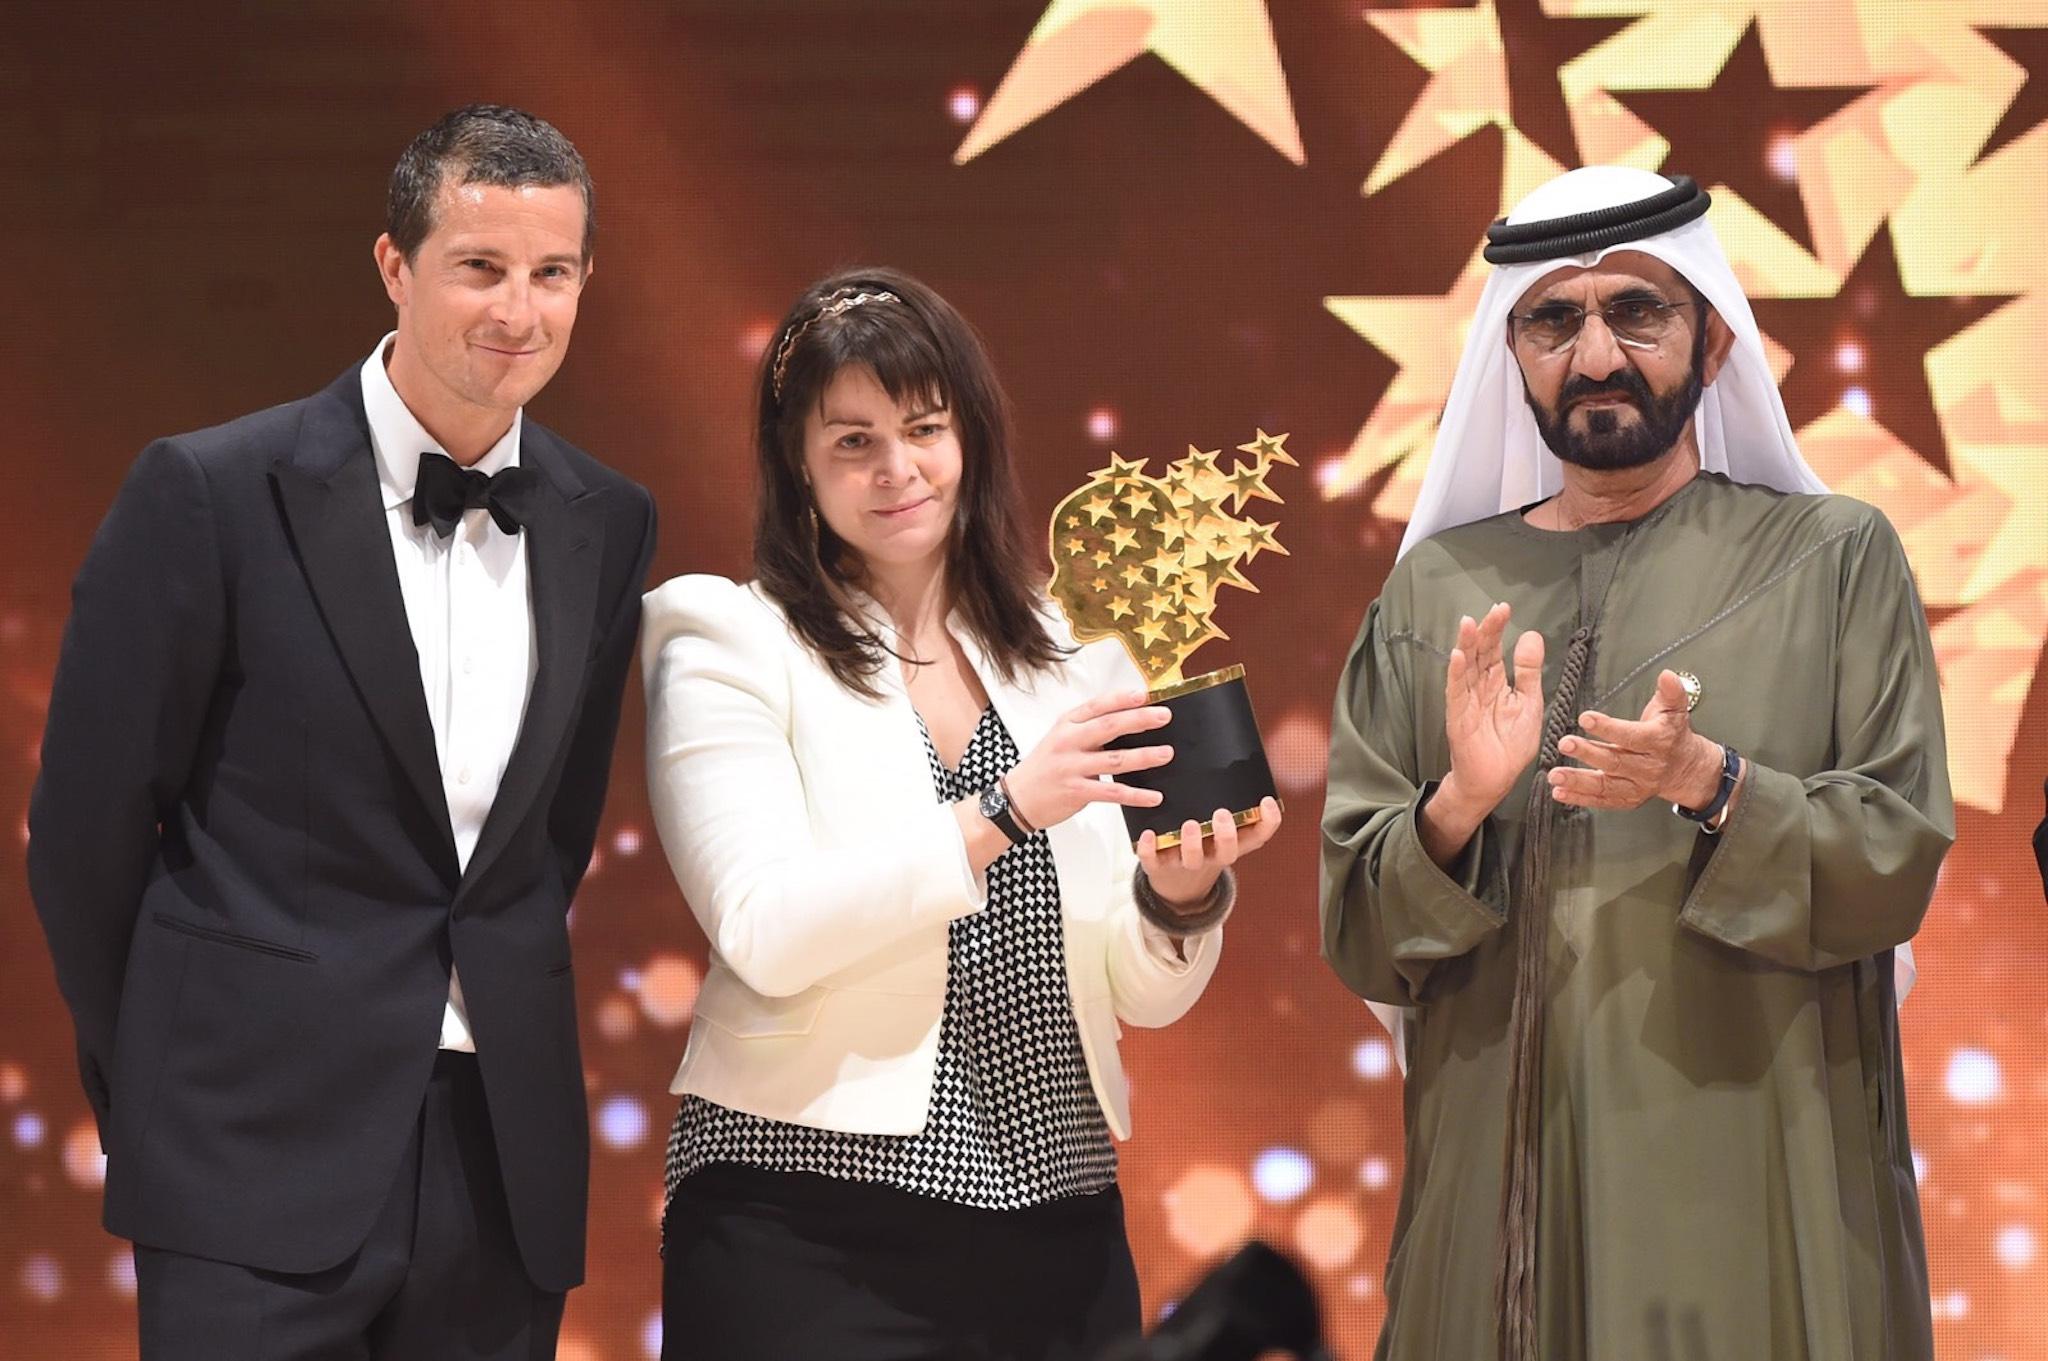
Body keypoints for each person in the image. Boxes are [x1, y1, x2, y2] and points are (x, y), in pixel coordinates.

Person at [27, 105, 657, 1359]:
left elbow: (549, 842)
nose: (516, 312)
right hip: (243, 1142)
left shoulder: (608, 517)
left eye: (551, 274)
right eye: (479, 267)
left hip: (497, 1152)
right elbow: (85, 835)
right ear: (393, 265)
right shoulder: (208, 490)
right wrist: (161, 1076)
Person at [1318, 167, 1953, 1361]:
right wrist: (1456, 803)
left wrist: (1709, 782)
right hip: (1491, 1199)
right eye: (1553, 321)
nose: (1594, 351)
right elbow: (1358, 930)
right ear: (1512, 355)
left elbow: (1893, 858)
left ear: (1712, 343)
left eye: (1636, 312)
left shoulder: (1829, 556)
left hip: (1752, 1178)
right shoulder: (1437, 592)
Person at [641, 267, 1281, 1360]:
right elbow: (765, 928)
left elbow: (1137, 992)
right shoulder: (727, 638)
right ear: (795, 459)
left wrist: (1178, 897)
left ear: (970, 437)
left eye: (924, 429)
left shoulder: (1075, 653)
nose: (897, 469)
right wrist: (999, 809)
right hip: (801, 1215)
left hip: (1056, 1219)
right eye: (852, 440)